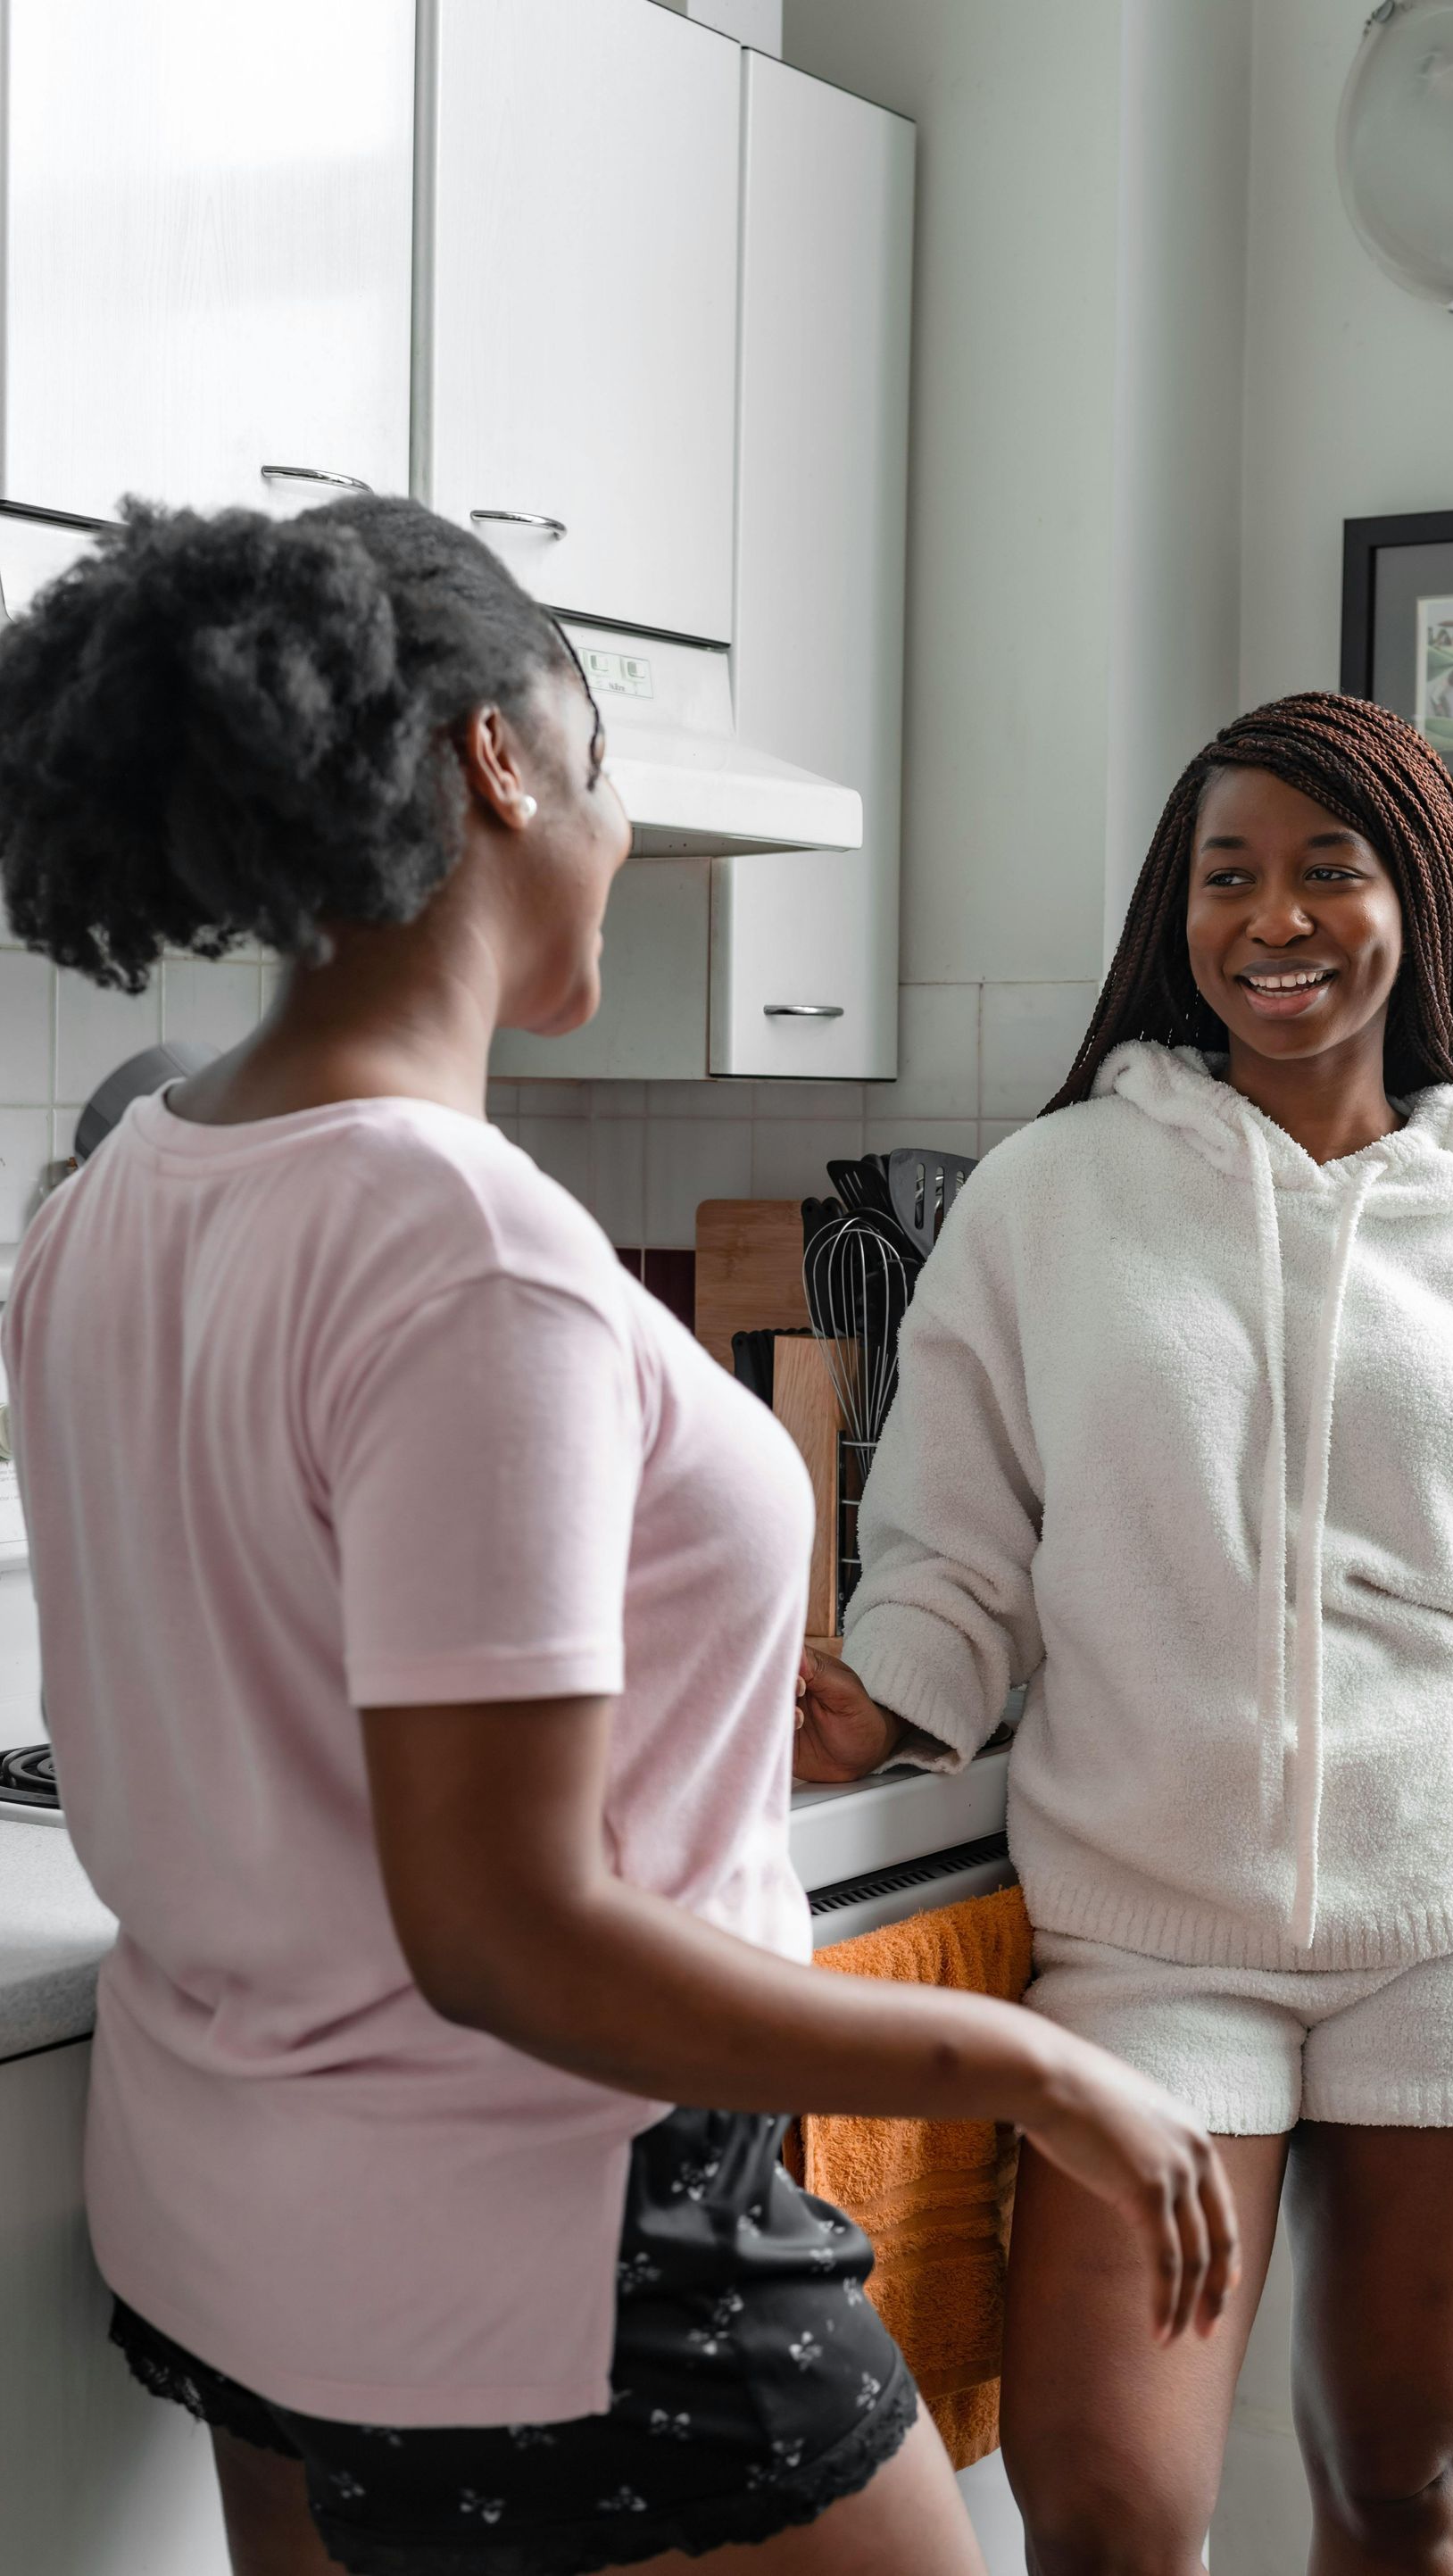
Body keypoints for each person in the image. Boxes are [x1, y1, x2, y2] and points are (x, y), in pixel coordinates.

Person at [0, 498, 1238, 2576]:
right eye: (607, 756)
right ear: (502, 759)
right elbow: (511, 1936)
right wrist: (1027, 2065)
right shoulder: (467, 1250)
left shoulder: (109, 1202)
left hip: (229, 2229)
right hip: (554, 2252)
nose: (626, 825)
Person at [796, 691, 1453, 2576]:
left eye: (1326, 871)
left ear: (1413, 902)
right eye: (1228, 876)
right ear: (1177, 911)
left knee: (1403, 2485)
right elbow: (955, 1542)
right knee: (1110, 2514)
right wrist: (878, 1704)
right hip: (1149, 1946)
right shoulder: (1053, 1196)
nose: (1274, 918)